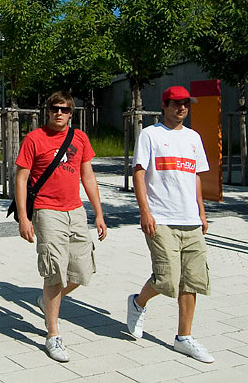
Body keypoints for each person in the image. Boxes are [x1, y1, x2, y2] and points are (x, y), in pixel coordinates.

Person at [15, 91, 107, 363]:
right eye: (55, 108)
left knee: (81, 272)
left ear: (71, 113)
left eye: (65, 109)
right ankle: (53, 334)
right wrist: (24, 217)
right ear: (47, 110)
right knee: (55, 273)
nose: (59, 113)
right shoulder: (34, 139)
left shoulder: (80, 138)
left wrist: (99, 214)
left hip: (75, 211)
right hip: (47, 210)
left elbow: (88, 176)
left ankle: (46, 301)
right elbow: (21, 179)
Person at [126, 85, 214, 363]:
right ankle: (138, 302)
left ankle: (184, 338)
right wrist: (145, 212)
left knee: (191, 281)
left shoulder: (193, 137)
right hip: (161, 218)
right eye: (176, 103)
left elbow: (196, 177)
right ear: (164, 105)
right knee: (167, 280)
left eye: (186, 104)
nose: (182, 108)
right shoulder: (150, 135)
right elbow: (139, 173)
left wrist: (201, 212)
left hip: (190, 220)